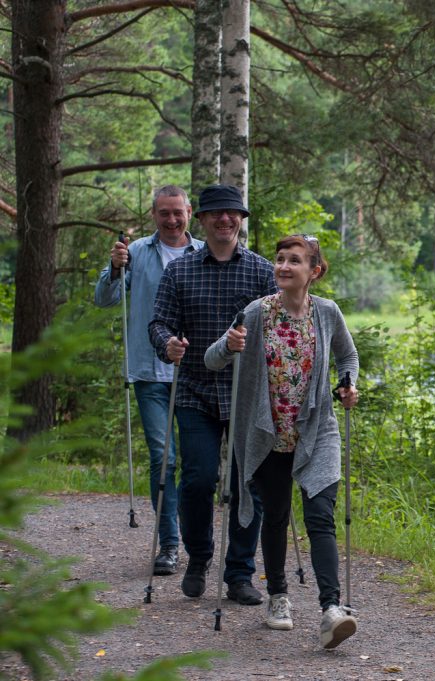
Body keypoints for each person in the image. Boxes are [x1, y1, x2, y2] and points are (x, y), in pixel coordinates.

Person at [204, 234, 359, 648]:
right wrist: (228, 344)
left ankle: (331, 609)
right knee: (274, 515)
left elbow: (348, 356)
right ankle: (278, 596)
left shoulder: (327, 313)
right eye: (280, 260)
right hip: (266, 432)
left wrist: (348, 385)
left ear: (315, 271)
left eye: (295, 261)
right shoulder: (256, 313)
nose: (284, 266)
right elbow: (212, 358)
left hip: (316, 429)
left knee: (320, 517)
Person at [149, 184, 277, 606]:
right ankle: (199, 557)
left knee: (248, 484)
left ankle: (240, 574)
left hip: (248, 396)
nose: (225, 220)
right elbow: (159, 323)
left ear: (241, 219)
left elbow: (278, 329)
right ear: (201, 220)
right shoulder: (180, 271)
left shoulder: (261, 271)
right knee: (199, 479)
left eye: (233, 213)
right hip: (195, 392)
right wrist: (167, 344)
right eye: (217, 214)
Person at [94, 185, 202, 576]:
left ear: (189, 212)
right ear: (153, 214)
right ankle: (169, 545)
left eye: (178, 212)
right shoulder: (136, 252)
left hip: (194, 373)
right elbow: (105, 299)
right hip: (148, 372)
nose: (172, 220)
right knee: (164, 458)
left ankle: (198, 545)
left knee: (194, 464)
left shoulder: (203, 254)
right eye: (164, 213)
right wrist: (115, 268)